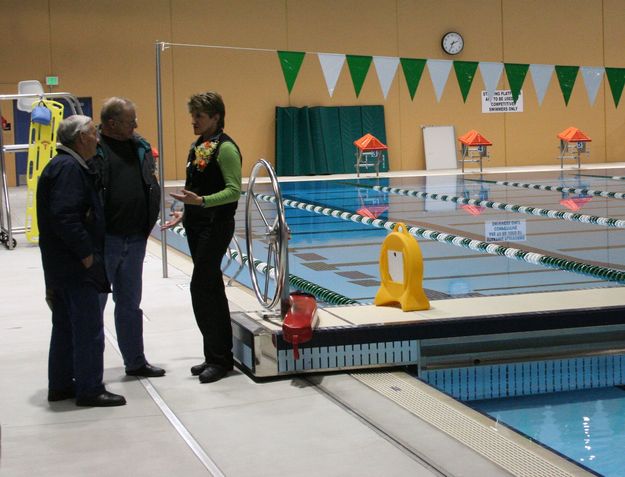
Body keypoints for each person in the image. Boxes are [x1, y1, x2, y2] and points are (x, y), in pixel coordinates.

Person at [38, 115, 126, 407]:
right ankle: (89, 388)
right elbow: (64, 217)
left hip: (61, 266)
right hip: (76, 266)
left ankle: (61, 384)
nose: (98, 139)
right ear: (80, 138)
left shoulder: (60, 166)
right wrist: (87, 255)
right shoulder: (69, 169)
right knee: (88, 329)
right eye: (93, 134)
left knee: (64, 327)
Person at [162, 92, 242, 383]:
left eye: (200, 116)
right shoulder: (198, 145)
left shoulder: (226, 149)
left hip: (216, 225)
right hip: (197, 224)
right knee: (209, 289)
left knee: (202, 287)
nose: (193, 121)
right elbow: (194, 187)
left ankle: (220, 360)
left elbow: (234, 190)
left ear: (216, 117)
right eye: (192, 115)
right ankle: (216, 356)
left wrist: (203, 203)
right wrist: (186, 211)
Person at [90, 97, 165, 378]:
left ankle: (135, 361)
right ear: (112, 123)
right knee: (94, 306)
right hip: (105, 240)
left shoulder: (140, 147)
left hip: (134, 238)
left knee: (130, 305)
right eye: (130, 120)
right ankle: (88, 369)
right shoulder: (93, 149)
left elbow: (150, 184)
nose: (136, 124)